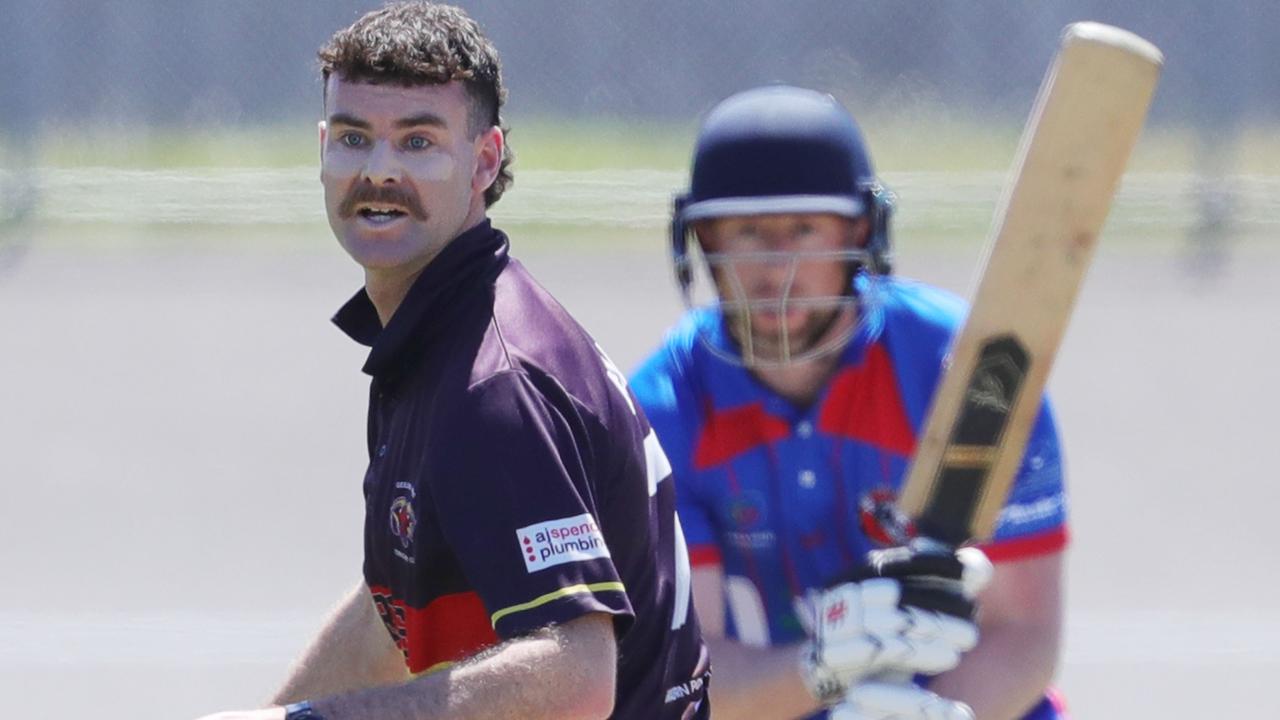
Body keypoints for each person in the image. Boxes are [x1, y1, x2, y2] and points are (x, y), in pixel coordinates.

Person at [196, 4, 708, 719]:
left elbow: (579, 676)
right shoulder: (439, 334)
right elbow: (392, 613)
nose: (378, 171)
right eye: (353, 138)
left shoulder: (494, 382)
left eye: (418, 141)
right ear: (321, 150)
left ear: (485, 160)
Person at [629, 85, 1069, 720]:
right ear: (700, 240)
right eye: (749, 231)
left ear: (861, 231)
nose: (777, 270)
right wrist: (823, 667)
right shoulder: (662, 412)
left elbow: (1024, 629)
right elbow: (691, 673)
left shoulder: (972, 375)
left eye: (805, 230)